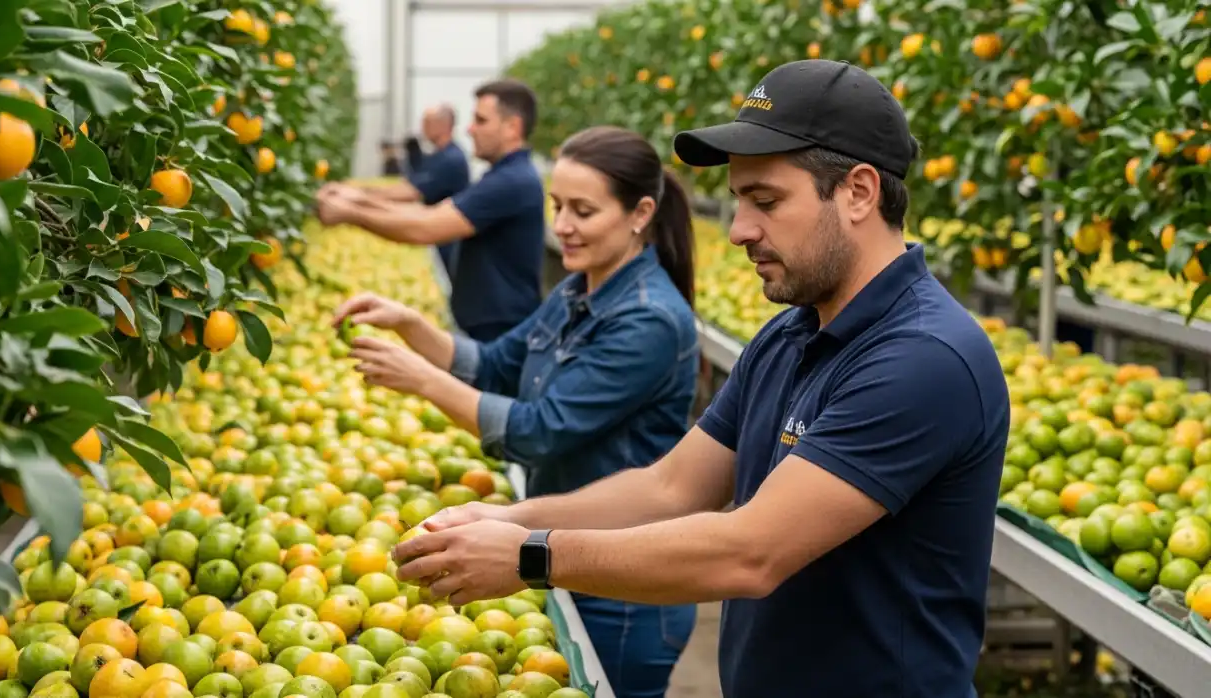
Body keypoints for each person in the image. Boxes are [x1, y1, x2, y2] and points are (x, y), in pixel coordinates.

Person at [390, 59, 1011, 698]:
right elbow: (669, 487)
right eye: (739, 201)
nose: (740, 230)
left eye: (765, 201)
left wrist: (531, 557)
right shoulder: (790, 333)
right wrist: (508, 519)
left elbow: (750, 550)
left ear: (858, 192)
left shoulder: (922, 357)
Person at [332, 125, 701, 698]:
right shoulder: (579, 290)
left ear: (640, 212)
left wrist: (424, 382)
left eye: (583, 210)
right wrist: (411, 323)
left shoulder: (647, 320)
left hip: (623, 588)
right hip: (562, 544)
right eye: (557, 206)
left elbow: (539, 432)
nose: (562, 227)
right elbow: (498, 363)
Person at [317, 80, 545, 342]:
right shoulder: (502, 176)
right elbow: (427, 213)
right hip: (491, 325)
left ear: (512, 127)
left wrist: (351, 212)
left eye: (481, 121)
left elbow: (424, 226)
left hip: (499, 331)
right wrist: (355, 201)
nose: (470, 130)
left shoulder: (511, 182)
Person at [336, 105, 473, 278]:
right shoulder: (437, 156)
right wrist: (358, 191)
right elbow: (407, 185)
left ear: (444, 125)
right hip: (438, 239)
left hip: (447, 244)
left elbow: (410, 193)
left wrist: (355, 200)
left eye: (427, 122)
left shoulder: (451, 159)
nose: (422, 127)